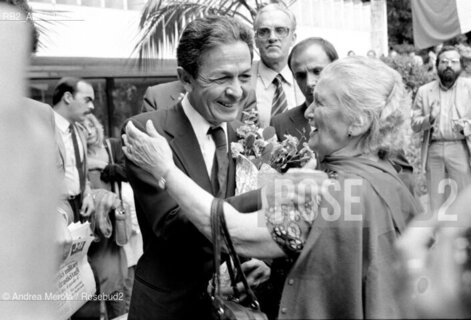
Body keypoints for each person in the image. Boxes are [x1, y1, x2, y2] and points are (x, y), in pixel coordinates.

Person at [123, 56, 422, 319]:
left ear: (357, 123)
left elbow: (234, 232)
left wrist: (165, 169)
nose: (306, 112)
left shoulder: (336, 191)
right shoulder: (388, 179)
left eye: (320, 103)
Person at [124, 16, 269, 320]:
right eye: (221, 78)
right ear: (186, 78)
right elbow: (175, 227)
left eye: (244, 76)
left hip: (232, 305)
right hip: (171, 307)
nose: (236, 92)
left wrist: (257, 255)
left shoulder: (247, 131)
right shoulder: (147, 132)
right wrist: (270, 197)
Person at [412, 45, 471, 213]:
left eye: (454, 61)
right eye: (444, 61)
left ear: (461, 65)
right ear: (437, 65)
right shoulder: (424, 91)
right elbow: (414, 124)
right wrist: (429, 118)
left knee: (463, 195)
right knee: (435, 196)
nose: (449, 65)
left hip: (460, 147)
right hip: (434, 148)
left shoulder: (469, 88)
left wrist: (465, 126)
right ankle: (437, 235)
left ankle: (463, 235)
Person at [270, 37, 338, 146]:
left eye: (317, 71)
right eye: (301, 76)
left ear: (336, 69)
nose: (309, 83)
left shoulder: (359, 117)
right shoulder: (280, 124)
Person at [251, 3, 303, 128]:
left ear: (293, 38)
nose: (272, 37)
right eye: (264, 31)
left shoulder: (306, 77)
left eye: (280, 30)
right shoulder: (243, 78)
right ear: (256, 39)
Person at [52, 77, 95, 222]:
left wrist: (87, 194)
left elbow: (82, 171)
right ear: (68, 97)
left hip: (79, 209)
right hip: (55, 213)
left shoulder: (79, 131)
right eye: (87, 100)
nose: (92, 106)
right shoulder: (42, 129)